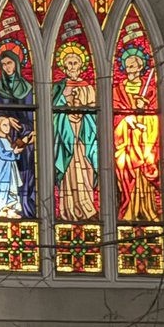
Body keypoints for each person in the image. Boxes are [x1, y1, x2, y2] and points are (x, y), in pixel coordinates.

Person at [113, 45, 160, 221]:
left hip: (143, 143)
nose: (129, 70)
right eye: (127, 66)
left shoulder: (150, 91)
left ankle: (146, 210)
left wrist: (144, 111)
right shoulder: (118, 90)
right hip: (126, 143)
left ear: (140, 67)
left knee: (144, 178)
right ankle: (128, 209)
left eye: (132, 66)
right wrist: (127, 119)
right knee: (126, 174)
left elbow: (154, 119)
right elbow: (115, 116)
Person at [52, 44, 98, 222]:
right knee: (69, 169)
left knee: (85, 167)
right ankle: (68, 208)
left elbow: (93, 114)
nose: (71, 67)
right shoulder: (59, 88)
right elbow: (54, 113)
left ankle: (87, 206)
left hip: (83, 135)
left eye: (74, 63)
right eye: (68, 63)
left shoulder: (88, 87)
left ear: (80, 66)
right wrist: (66, 105)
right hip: (66, 134)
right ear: (64, 67)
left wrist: (81, 111)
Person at [0, 114, 34, 219]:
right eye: (4, 125)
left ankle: (11, 210)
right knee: (4, 189)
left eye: (8, 125)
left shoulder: (8, 140)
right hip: (3, 170)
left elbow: (14, 151)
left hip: (11, 169)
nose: (7, 128)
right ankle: (2, 209)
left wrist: (21, 145)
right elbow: (3, 154)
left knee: (12, 189)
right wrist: (15, 152)